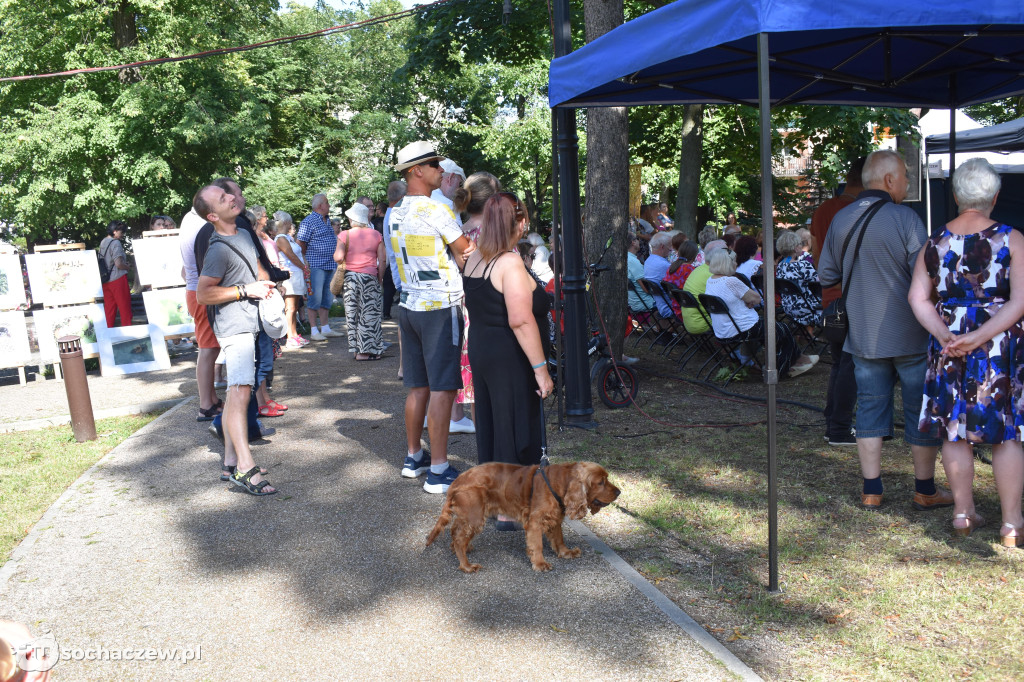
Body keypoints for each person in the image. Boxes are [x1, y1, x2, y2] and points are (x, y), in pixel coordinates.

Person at [818, 149, 951, 510]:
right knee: (918, 410)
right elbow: (927, 275)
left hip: (862, 334)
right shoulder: (906, 219)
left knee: (870, 410)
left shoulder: (841, 218)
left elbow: (826, 275)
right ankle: (924, 489)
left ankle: (872, 490)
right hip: (910, 333)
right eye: (906, 176)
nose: (908, 182)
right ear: (889, 180)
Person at [909, 158, 1024, 544]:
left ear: (956, 196)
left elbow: (918, 298)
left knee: (953, 429)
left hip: (950, 344)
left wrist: (945, 335)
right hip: (998, 343)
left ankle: (962, 513)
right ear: (994, 195)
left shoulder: (934, 241)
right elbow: (1020, 300)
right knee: (1005, 432)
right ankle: (1011, 524)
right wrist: (981, 335)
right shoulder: (1012, 239)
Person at [463, 191, 553, 530]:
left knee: (493, 420)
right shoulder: (508, 263)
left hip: (484, 348)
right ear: (520, 222)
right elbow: (520, 319)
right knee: (514, 423)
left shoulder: (474, 258)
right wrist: (541, 370)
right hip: (508, 352)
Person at [389, 141, 474, 494]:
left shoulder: (393, 212)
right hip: (440, 307)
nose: (441, 170)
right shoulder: (437, 211)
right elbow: (466, 251)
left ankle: (414, 457)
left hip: (409, 306)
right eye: (435, 165)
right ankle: (438, 470)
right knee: (443, 388)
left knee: (417, 386)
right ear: (416, 171)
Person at [194, 184, 277, 496]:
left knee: (236, 394)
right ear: (213, 215)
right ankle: (245, 465)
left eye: (229, 194)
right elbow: (203, 294)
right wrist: (246, 291)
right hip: (234, 328)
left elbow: (253, 274)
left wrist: (264, 285)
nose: (232, 196)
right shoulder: (216, 248)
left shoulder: (241, 234)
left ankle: (230, 462)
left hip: (249, 324)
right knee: (241, 394)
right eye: (223, 198)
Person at [813, 156, 866, 447]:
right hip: (852, 296)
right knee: (849, 364)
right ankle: (839, 428)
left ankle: (833, 421)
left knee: (839, 362)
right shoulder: (857, 210)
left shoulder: (824, 209)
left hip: (830, 296)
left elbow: (817, 254)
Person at [704, 248, 817, 377]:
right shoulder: (731, 281)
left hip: (724, 330)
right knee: (782, 329)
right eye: (734, 261)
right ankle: (784, 368)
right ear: (726, 263)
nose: (736, 264)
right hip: (741, 328)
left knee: (773, 330)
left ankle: (795, 359)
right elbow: (757, 299)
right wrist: (747, 300)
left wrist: (746, 300)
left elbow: (743, 299)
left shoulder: (711, 280)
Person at [452, 171, 502, 423]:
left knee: (471, 363)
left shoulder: (457, 233)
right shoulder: (496, 234)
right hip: (493, 308)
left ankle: (475, 427)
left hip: (463, 304)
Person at [180, 207, 223, 421]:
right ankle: (206, 405)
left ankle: (211, 400)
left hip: (195, 290)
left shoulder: (189, 221)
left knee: (209, 348)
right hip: (201, 293)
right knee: (207, 349)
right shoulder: (200, 225)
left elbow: (184, 270)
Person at [334, 202, 386, 360]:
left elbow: (338, 257)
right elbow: (382, 260)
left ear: (352, 219)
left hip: (350, 278)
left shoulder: (345, 235)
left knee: (352, 314)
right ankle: (367, 351)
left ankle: (357, 350)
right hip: (369, 276)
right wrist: (379, 278)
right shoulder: (376, 234)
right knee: (369, 314)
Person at [297, 193, 342, 341]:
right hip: (316, 265)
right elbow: (300, 243)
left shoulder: (327, 220)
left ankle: (326, 327)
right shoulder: (308, 221)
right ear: (320, 205)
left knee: (327, 297)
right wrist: (306, 260)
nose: (329, 206)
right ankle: (314, 330)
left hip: (330, 263)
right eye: (327, 203)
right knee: (314, 297)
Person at [273, 211, 311, 350]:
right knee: (290, 307)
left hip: (296, 274)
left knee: (294, 307)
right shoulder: (281, 238)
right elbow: (291, 256)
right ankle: (290, 336)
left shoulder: (287, 238)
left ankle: (294, 334)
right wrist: (304, 267)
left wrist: (303, 267)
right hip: (290, 275)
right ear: (286, 223)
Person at [775, 229, 822, 328]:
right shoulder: (803, 265)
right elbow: (821, 282)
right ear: (796, 248)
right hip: (807, 308)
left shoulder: (780, 266)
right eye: (800, 244)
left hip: (788, 308)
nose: (802, 246)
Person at [99, 220, 132, 327]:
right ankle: (127, 336)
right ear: (114, 231)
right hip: (118, 279)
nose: (123, 235)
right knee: (125, 309)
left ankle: (109, 335)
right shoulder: (116, 243)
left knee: (109, 311)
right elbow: (118, 263)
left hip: (106, 280)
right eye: (121, 232)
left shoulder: (103, 241)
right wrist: (127, 267)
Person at [643, 232, 674, 318]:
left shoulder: (648, 261)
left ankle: (669, 330)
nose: (671, 249)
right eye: (670, 246)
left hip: (659, 305)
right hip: (668, 307)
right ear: (662, 247)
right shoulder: (664, 265)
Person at [430, 158, 466, 225]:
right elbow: (458, 235)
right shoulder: (448, 206)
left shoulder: (419, 197)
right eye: (460, 184)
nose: (459, 189)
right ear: (450, 178)